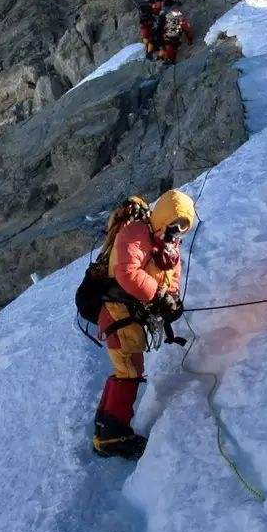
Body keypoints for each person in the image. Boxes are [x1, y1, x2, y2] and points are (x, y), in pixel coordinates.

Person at [93, 190, 196, 459]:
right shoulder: (135, 233)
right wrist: (159, 295)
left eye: (183, 227)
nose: (177, 232)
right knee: (128, 371)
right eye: (174, 223)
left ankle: (105, 425)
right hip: (118, 315)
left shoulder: (166, 245)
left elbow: (171, 275)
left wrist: (170, 299)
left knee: (126, 370)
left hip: (129, 318)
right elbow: (127, 272)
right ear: (163, 217)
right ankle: (112, 437)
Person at [157, 1, 194, 65]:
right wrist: (189, 38)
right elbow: (184, 26)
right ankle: (168, 59)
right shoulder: (174, 14)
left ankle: (168, 59)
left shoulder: (165, 14)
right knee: (169, 45)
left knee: (169, 45)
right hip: (170, 36)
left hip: (170, 36)